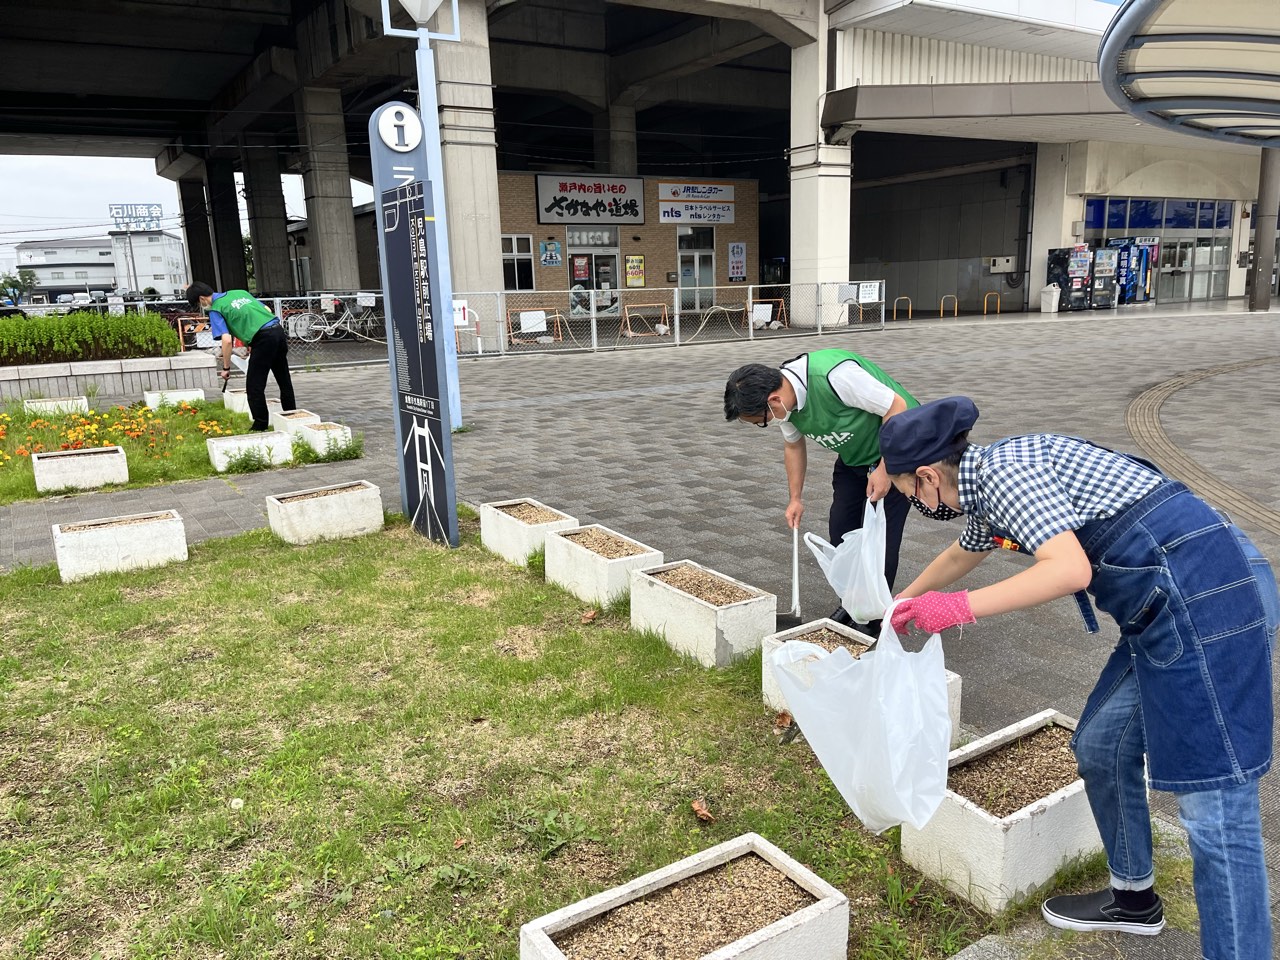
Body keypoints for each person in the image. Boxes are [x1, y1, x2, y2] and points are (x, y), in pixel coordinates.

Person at [881, 396, 1277, 957]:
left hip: (1212, 593)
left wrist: (958, 608)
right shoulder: (986, 482)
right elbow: (959, 555)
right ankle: (1135, 898)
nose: (917, 504)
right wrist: (905, 600)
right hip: (1164, 605)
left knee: (1216, 812)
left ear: (925, 476)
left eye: (910, 495)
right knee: (1102, 742)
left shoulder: (1004, 476)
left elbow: (1069, 568)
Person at [723, 350, 918, 629]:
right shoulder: (786, 405)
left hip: (900, 450)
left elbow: (897, 407)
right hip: (855, 457)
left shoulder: (835, 377)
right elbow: (793, 446)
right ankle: (852, 604)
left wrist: (886, 469)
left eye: (762, 421)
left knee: (879, 539)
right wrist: (795, 499)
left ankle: (875, 618)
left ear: (773, 400)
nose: (768, 425)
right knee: (841, 528)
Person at [186, 282, 296, 432]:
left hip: (263, 339)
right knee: (283, 378)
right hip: (277, 331)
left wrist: (226, 368)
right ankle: (292, 417)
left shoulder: (216, 309)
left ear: (202, 299)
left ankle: (260, 425)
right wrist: (250, 338)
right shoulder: (238, 292)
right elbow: (266, 309)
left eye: (198, 304)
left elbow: (226, 340)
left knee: (254, 386)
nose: (201, 307)